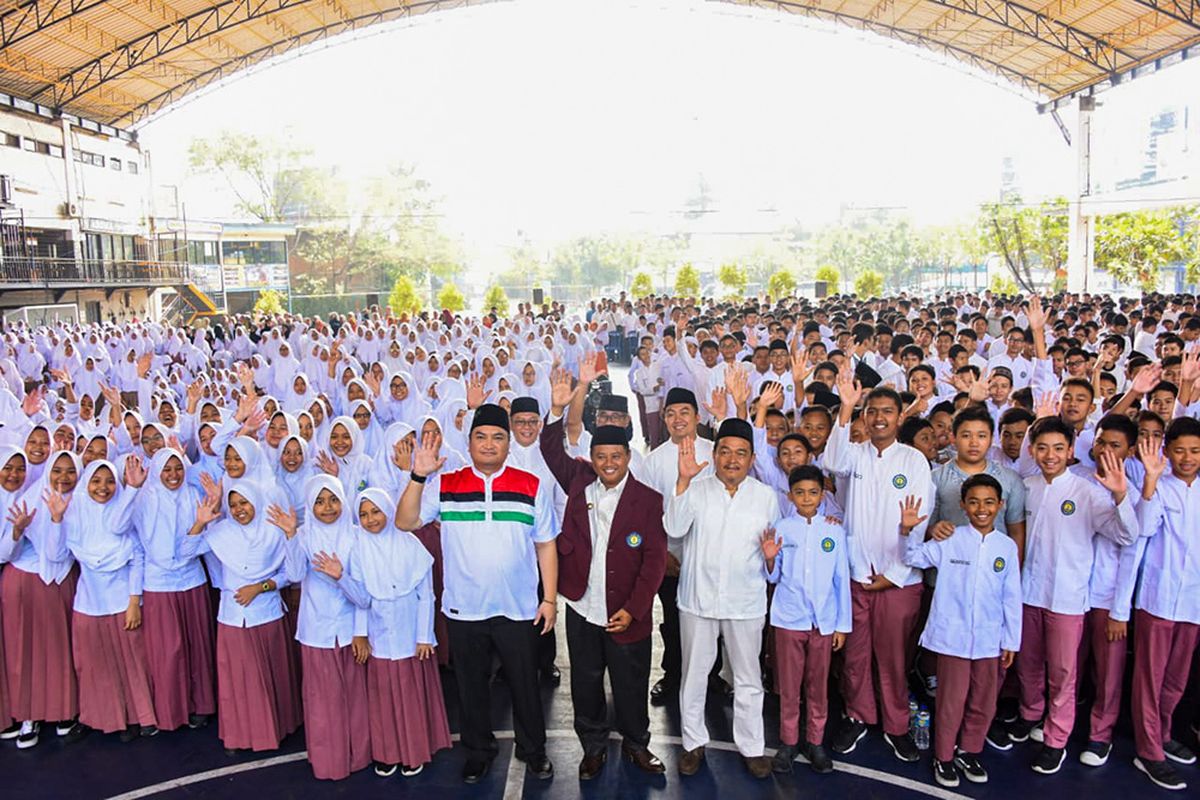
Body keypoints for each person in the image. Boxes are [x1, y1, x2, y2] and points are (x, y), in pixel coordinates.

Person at [395, 403, 557, 784]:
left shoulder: (530, 485)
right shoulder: (446, 485)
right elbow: (405, 521)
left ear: (508, 443)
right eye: (481, 437)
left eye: (498, 437)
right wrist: (418, 475)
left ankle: (534, 751)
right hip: (464, 609)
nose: (489, 444)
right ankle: (479, 751)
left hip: (518, 608)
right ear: (468, 443)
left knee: (525, 686)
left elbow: (546, 544)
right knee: (471, 688)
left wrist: (548, 599)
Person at [540, 376, 668, 779]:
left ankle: (636, 745)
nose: (608, 463)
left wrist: (633, 609)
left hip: (627, 613)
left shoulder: (648, 500)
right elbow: (550, 450)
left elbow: (654, 562)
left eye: (616, 456)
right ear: (591, 458)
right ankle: (592, 748)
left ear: (628, 456)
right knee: (586, 684)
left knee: (631, 685)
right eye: (601, 456)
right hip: (582, 604)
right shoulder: (579, 480)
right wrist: (558, 410)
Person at [1010, 416, 1135, 774]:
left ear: (1071, 452)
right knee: (1028, 663)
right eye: (1043, 448)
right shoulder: (1026, 485)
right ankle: (1030, 714)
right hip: (1029, 593)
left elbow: (1126, 535)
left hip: (1067, 597)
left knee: (1063, 673)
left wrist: (1121, 495)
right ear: (1033, 450)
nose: (1050, 455)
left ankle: (1056, 738)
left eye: (1059, 448)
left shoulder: (1089, 491)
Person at [823, 364, 934, 762]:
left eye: (887, 410)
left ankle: (896, 724)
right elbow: (832, 460)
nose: (880, 417)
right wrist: (845, 409)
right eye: (872, 411)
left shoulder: (914, 462)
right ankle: (857, 715)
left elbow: (918, 523)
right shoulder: (855, 455)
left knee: (892, 657)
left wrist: (896, 573)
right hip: (856, 574)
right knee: (855, 654)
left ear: (899, 416)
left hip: (899, 579)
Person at [666, 417, 780, 779]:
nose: (733, 460)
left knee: (748, 677)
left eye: (741, 453)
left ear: (751, 458)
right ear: (714, 455)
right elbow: (672, 528)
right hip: (698, 599)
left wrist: (771, 557)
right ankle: (693, 743)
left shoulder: (765, 497)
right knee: (695, 675)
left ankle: (751, 746)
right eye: (725, 452)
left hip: (746, 601)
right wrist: (683, 480)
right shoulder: (696, 489)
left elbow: (776, 554)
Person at [902, 475, 1022, 788]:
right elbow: (912, 557)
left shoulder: (1006, 547)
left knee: (984, 701)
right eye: (974, 501)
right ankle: (943, 757)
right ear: (963, 506)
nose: (981, 508)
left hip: (989, 640)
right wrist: (908, 530)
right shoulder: (950, 538)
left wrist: (1011, 640)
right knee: (951, 701)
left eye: (989, 502)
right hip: (952, 639)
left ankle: (969, 751)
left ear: (1001, 505)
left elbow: (1012, 596)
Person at [327, 489, 452, 778]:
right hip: (378, 633)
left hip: (410, 634)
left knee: (410, 696)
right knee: (382, 700)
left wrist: (424, 636)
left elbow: (427, 595)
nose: (371, 519)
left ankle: (413, 751)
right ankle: (388, 753)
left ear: (388, 509)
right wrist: (360, 633)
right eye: (364, 514)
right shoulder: (358, 550)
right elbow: (360, 597)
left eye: (376, 511)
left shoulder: (410, 544)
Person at [184, 481, 301, 754]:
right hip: (233, 617)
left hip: (267, 613)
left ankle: (274, 730)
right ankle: (240, 734)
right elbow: (186, 553)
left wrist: (259, 588)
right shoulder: (222, 532)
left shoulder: (274, 530)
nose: (239, 510)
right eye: (234, 505)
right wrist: (199, 523)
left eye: (244, 503)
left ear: (255, 502)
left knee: (270, 678)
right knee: (238, 680)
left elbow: (291, 574)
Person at [275, 476, 371, 781]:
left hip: (349, 633)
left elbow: (364, 597)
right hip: (315, 632)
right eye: (319, 501)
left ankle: (359, 755)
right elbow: (292, 575)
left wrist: (341, 576)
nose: (327, 507)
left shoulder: (357, 536)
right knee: (321, 701)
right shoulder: (303, 536)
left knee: (356, 699)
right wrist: (290, 535)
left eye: (333, 500)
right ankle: (329, 760)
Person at [1126, 417, 1200, 791]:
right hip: (1157, 600)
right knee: (1150, 680)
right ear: (1166, 452)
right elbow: (1141, 529)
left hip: (1193, 603)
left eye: (1195, 451)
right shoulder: (1158, 487)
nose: (1187, 458)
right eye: (1180, 450)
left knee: (1176, 679)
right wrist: (1152, 482)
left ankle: (1165, 732)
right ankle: (1149, 750)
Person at [762, 464, 849, 776]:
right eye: (800, 492)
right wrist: (770, 558)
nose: (807, 498)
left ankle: (814, 741)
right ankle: (788, 741)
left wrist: (842, 625)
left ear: (823, 494)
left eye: (813, 492)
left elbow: (842, 579)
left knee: (818, 685)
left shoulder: (834, 530)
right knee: (788, 684)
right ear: (791, 495)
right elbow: (772, 577)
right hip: (789, 618)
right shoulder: (783, 528)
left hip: (823, 622)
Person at [133, 449, 217, 732]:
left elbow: (210, 537)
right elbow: (147, 547)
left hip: (191, 580)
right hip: (158, 584)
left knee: (197, 645)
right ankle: (170, 710)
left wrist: (189, 548)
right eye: (166, 470)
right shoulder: (145, 499)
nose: (173, 475)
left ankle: (200, 705)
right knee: (168, 651)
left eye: (178, 469)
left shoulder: (193, 495)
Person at [639, 387, 712, 705]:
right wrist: (662, 553)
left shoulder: (715, 453)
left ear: (697, 416)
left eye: (684, 411)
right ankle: (673, 674)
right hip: (671, 558)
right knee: (673, 619)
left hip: (710, 556)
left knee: (711, 620)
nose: (677, 418)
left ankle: (711, 677)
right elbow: (647, 514)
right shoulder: (653, 461)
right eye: (670, 413)